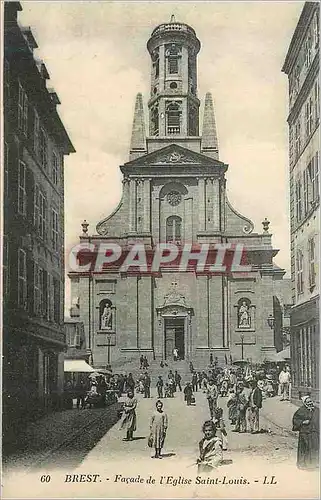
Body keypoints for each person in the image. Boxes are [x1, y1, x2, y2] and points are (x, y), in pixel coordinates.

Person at [292, 395, 319, 470]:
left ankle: (313, 464)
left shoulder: (317, 410)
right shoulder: (301, 410)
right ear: (304, 403)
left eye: (311, 401)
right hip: (305, 433)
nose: (310, 403)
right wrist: (303, 422)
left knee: (314, 448)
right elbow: (295, 420)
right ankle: (302, 464)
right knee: (304, 448)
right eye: (308, 402)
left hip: (314, 432)